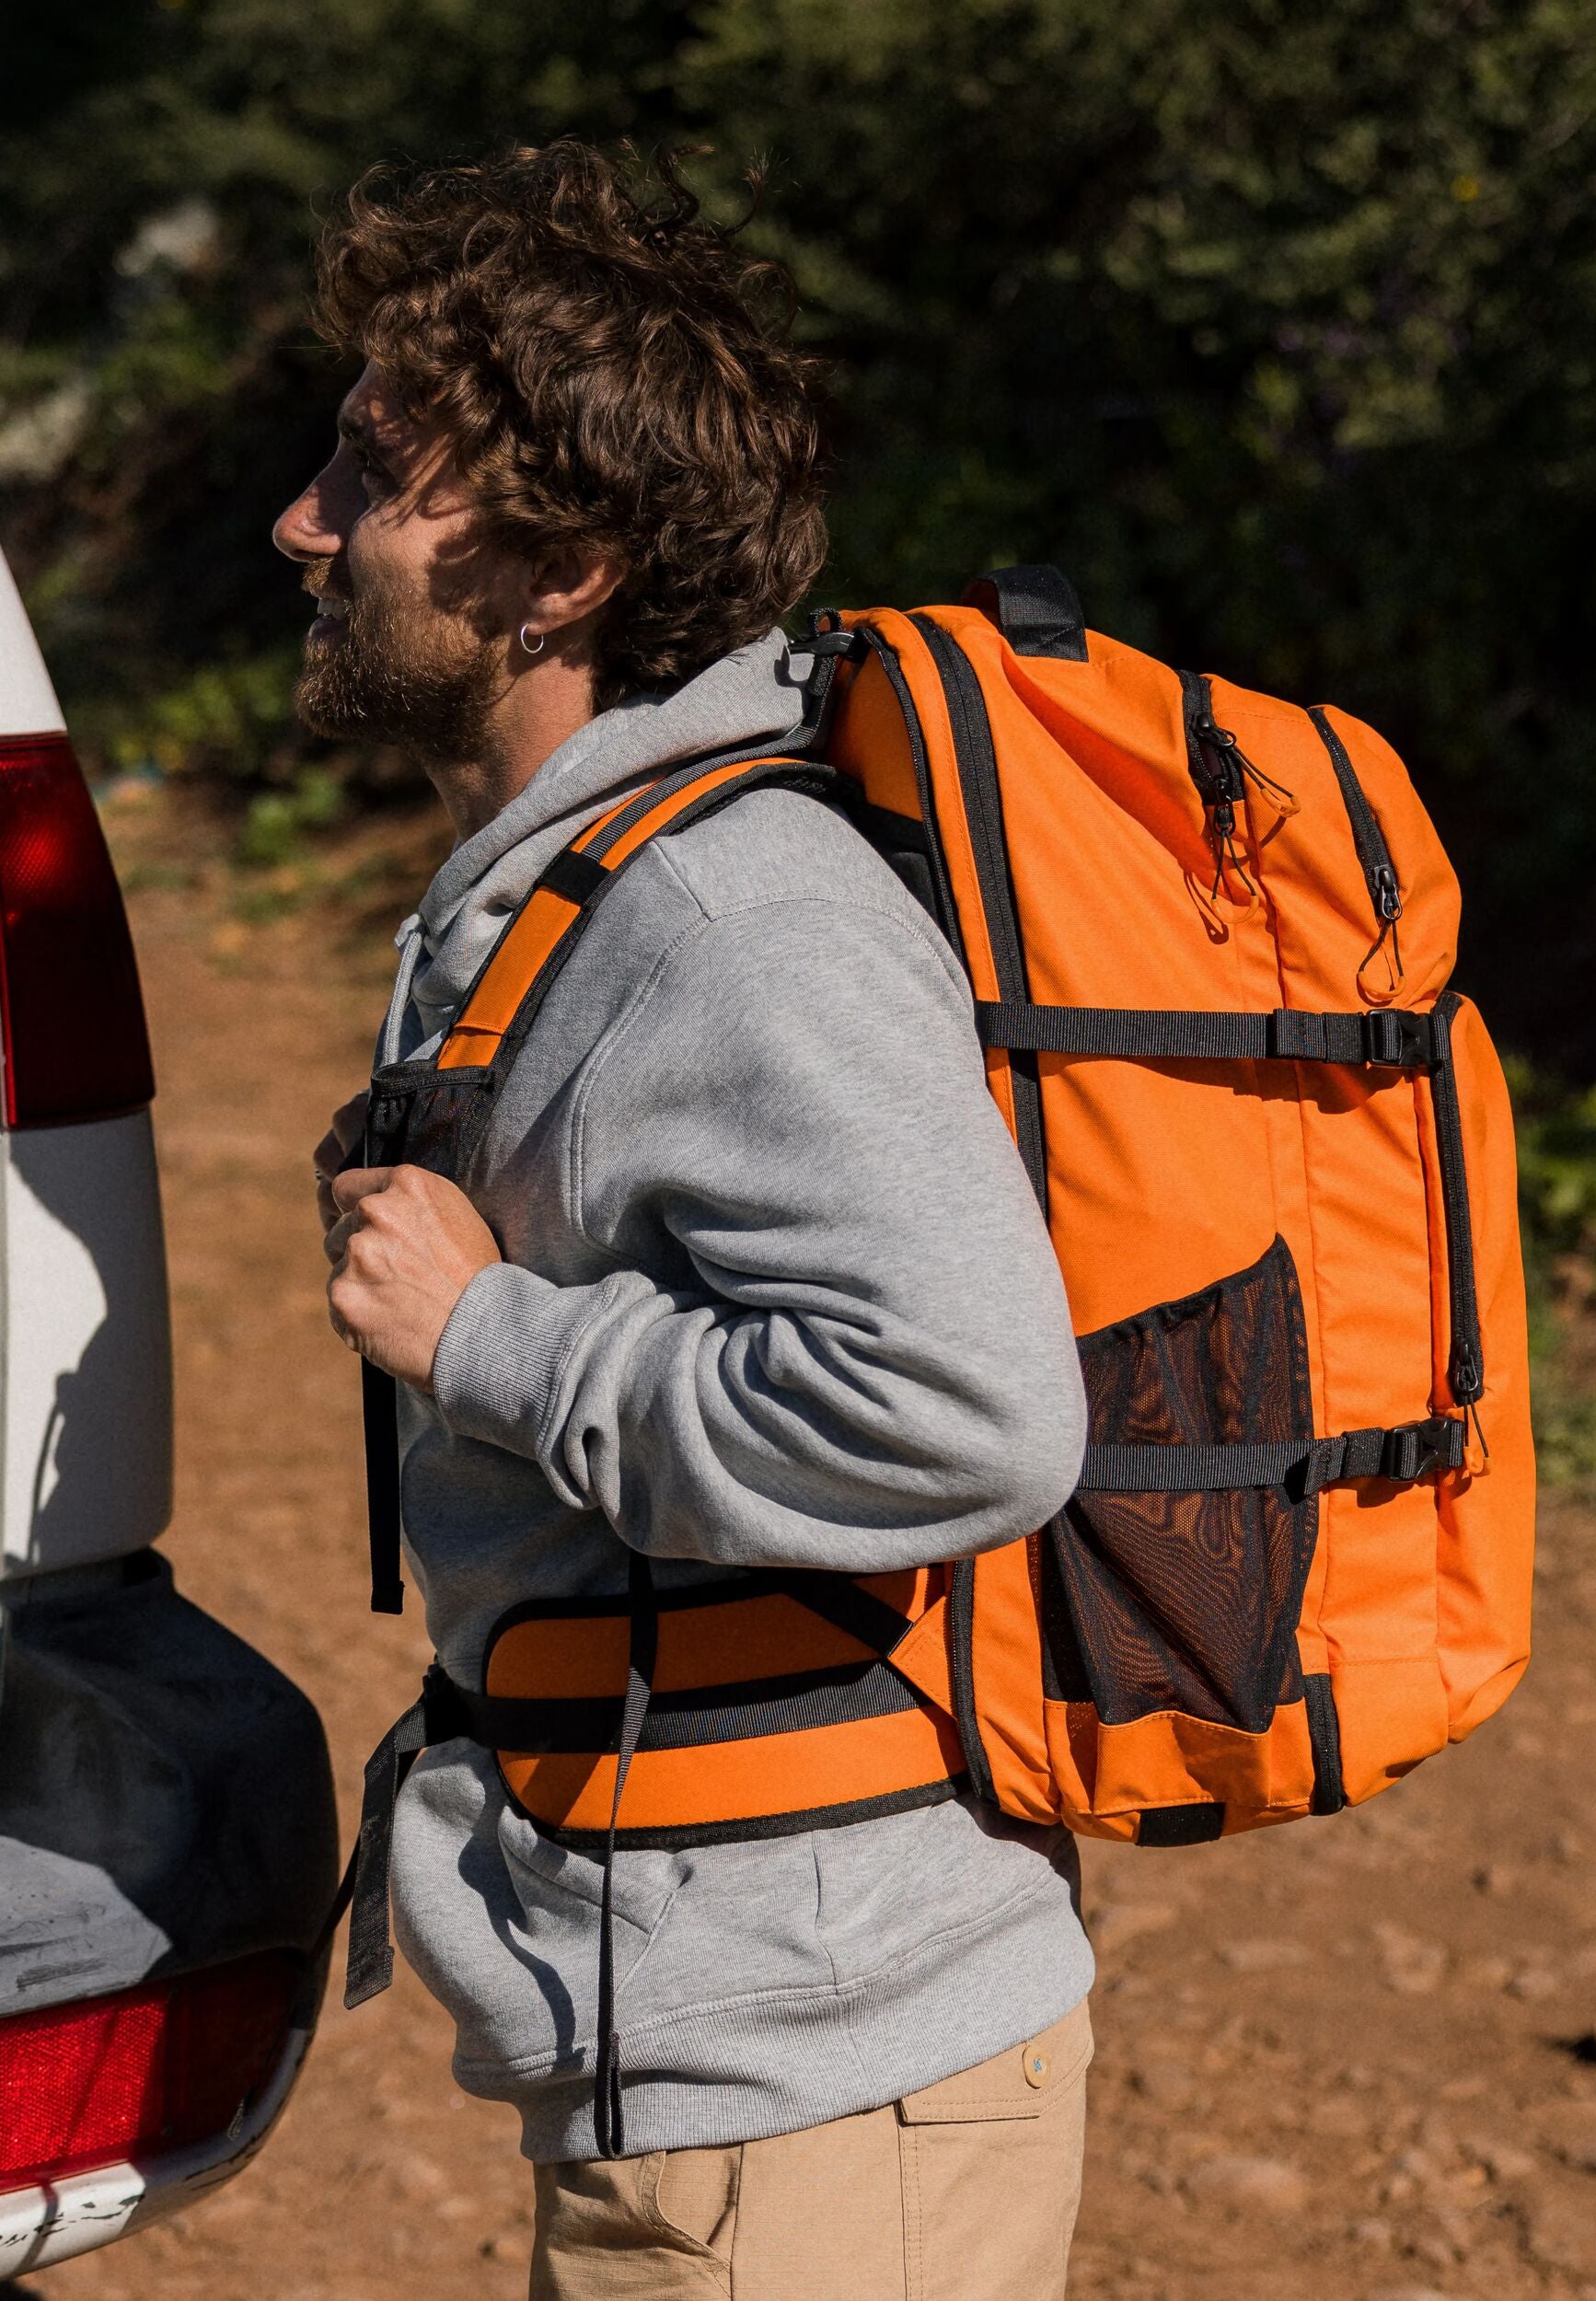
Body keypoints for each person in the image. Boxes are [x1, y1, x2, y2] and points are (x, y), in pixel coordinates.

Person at [276, 140, 1094, 2300]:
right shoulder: (572, 881)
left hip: (817, 2090)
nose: (302, 519)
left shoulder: (730, 910)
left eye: (371, 468)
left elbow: (974, 1409)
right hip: (721, 2054)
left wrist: (495, 1340)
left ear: (561, 568)